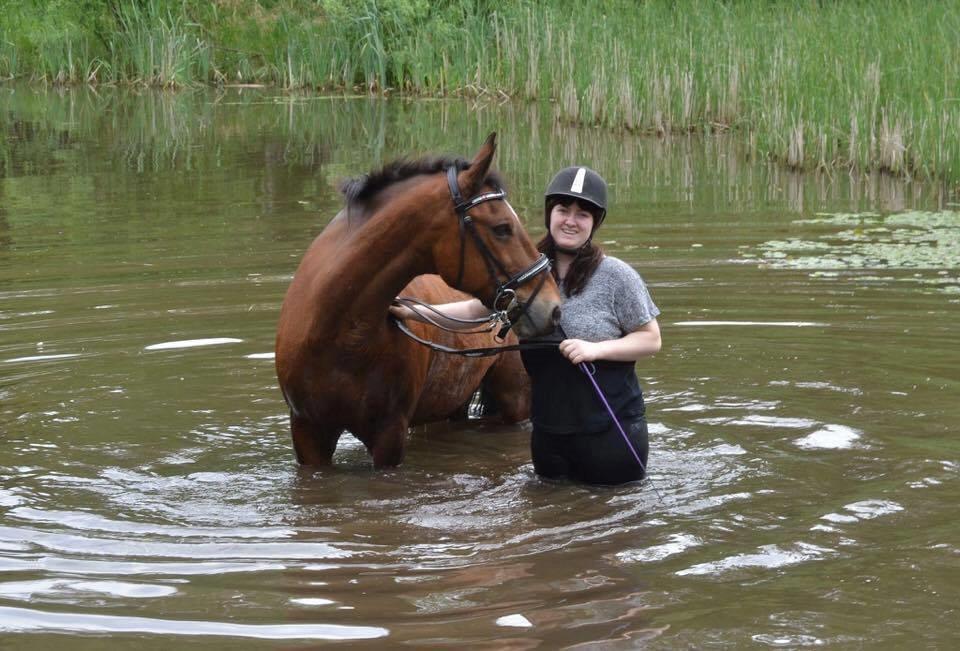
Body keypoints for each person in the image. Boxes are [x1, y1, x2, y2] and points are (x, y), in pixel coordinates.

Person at [391, 166, 661, 485]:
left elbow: (650, 339)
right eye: (563, 210)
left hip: (612, 434)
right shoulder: (521, 271)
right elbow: (476, 309)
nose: (571, 221)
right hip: (548, 435)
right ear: (550, 213)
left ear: (595, 223)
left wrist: (595, 349)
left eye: (583, 214)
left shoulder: (617, 276)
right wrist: (413, 313)